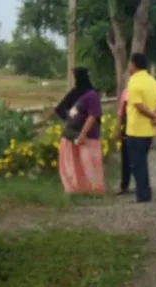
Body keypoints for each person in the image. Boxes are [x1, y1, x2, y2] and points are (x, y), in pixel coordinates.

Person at [54, 67, 105, 195]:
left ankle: (82, 188)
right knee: (84, 164)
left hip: (79, 134)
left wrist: (70, 119)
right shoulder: (90, 93)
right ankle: (85, 189)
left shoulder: (78, 94)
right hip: (82, 134)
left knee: (79, 163)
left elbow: (59, 109)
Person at [125, 52, 156, 203]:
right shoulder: (153, 82)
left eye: (130, 64)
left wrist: (154, 116)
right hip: (149, 130)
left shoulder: (134, 81)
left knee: (137, 164)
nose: (129, 67)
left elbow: (139, 106)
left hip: (136, 129)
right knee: (142, 162)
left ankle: (143, 195)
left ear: (134, 65)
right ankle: (144, 192)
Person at [116, 86, 131, 195]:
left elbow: (121, 113)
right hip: (130, 129)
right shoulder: (127, 91)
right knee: (130, 159)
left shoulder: (127, 91)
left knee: (127, 159)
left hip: (130, 129)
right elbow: (121, 112)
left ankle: (125, 185)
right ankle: (125, 184)